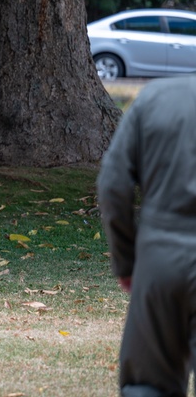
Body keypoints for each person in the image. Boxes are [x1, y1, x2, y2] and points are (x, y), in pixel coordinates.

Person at [97, 75, 196, 397]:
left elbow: (113, 185)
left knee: (148, 386)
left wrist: (127, 262)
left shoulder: (154, 98)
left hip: (159, 259)